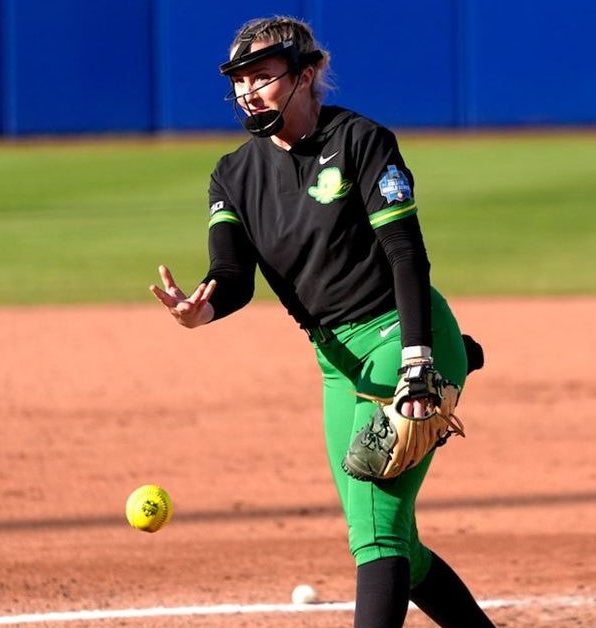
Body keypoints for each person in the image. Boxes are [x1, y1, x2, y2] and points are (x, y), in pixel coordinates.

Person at [149, 16, 495, 628]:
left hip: (404, 338)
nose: (249, 91)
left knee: (375, 534)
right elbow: (231, 274)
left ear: (307, 75)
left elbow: (405, 254)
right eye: (240, 80)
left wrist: (420, 362)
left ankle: (443, 357)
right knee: (396, 544)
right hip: (337, 361)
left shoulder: (361, 141)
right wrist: (201, 309)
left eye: (264, 76)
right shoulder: (233, 175)